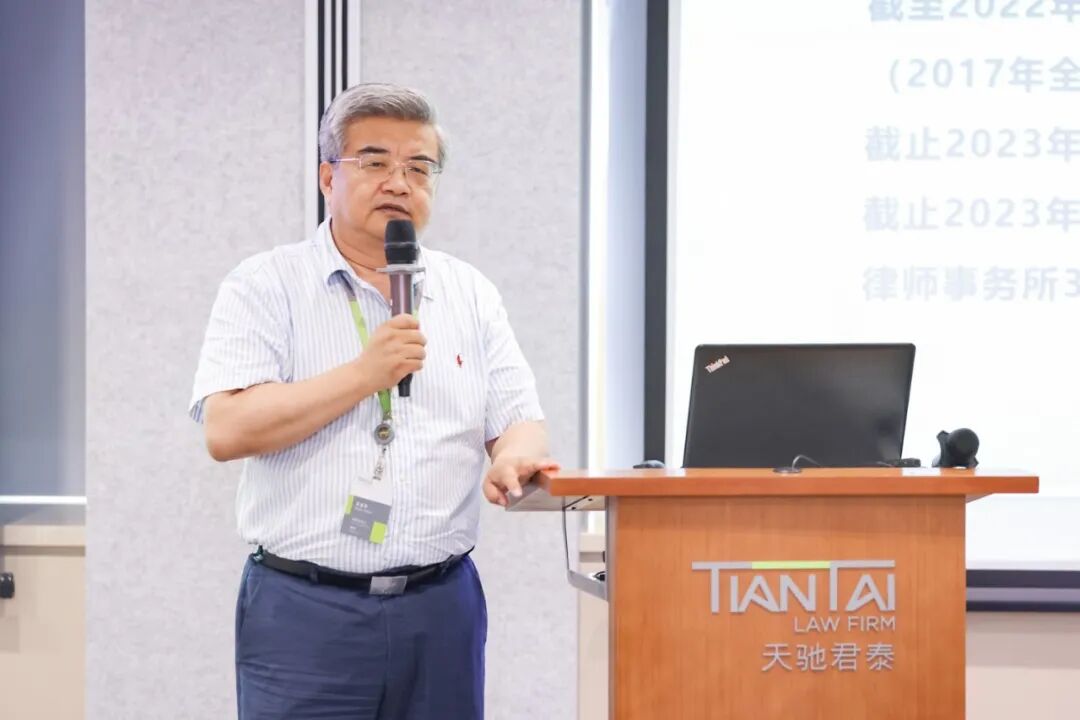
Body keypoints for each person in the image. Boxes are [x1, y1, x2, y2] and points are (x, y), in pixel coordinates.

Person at [188, 82, 558, 720]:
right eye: (375, 162)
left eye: (419, 167)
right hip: (305, 612)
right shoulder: (265, 284)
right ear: (327, 177)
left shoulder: (469, 292)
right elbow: (227, 430)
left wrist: (513, 458)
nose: (398, 182)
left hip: (441, 607)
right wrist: (364, 374)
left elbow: (518, 418)